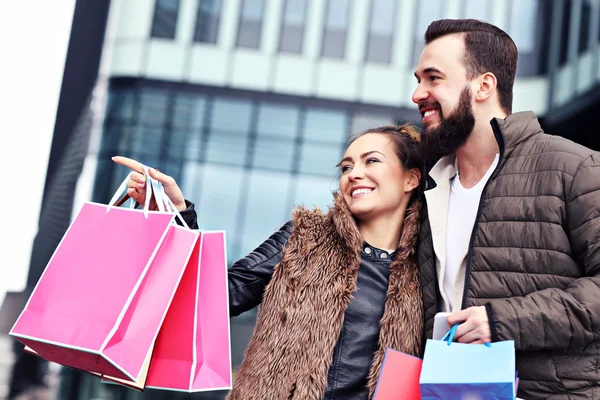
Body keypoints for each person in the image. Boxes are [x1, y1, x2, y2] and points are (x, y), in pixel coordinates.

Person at [113, 124, 425, 399]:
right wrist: (178, 215)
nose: (354, 173)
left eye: (371, 161)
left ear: (410, 179)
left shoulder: (431, 267)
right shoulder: (304, 237)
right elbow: (220, 296)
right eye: (346, 167)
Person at [412, 18, 600, 399]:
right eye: (418, 79)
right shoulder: (427, 184)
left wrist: (500, 322)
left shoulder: (573, 168)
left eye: (433, 78)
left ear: (484, 86)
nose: (417, 94)